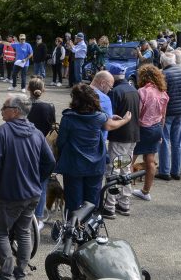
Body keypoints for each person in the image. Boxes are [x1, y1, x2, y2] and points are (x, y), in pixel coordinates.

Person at [0, 94, 54, 280]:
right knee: (23, 232)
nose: (1, 110)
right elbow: (49, 162)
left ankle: (6, 277)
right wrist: (36, 178)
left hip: (11, 195)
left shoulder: (4, 131)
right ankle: (20, 276)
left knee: (0, 232)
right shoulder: (36, 132)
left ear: (15, 111)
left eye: (4, 107)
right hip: (33, 193)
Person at [55, 84, 131, 213]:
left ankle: (72, 228)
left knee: (73, 201)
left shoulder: (68, 118)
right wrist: (125, 120)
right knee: (92, 200)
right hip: (95, 165)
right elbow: (110, 125)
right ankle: (90, 228)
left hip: (74, 164)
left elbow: (61, 142)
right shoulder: (99, 117)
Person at [103, 64, 140, 217]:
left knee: (114, 170)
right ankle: (124, 203)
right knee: (125, 168)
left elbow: (111, 116)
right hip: (133, 135)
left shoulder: (115, 92)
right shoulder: (134, 90)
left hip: (120, 136)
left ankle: (110, 206)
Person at [131, 65, 170, 202]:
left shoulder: (141, 92)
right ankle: (146, 191)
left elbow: (137, 113)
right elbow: (163, 115)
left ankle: (123, 190)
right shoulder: (163, 93)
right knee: (150, 161)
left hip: (143, 128)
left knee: (130, 159)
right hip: (157, 128)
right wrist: (160, 133)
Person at [25, 77, 56, 230]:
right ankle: (37, 218)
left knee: (23, 181)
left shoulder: (22, 105)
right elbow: (52, 127)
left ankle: (23, 214)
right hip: (43, 148)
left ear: (27, 88)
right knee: (42, 184)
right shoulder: (49, 107)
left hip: (25, 148)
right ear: (43, 90)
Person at [157, 52, 181, 181]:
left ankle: (164, 171)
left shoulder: (164, 74)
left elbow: (162, 94)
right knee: (177, 142)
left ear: (163, 62)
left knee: (164, 141)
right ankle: (176, 171)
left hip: (169, 111)